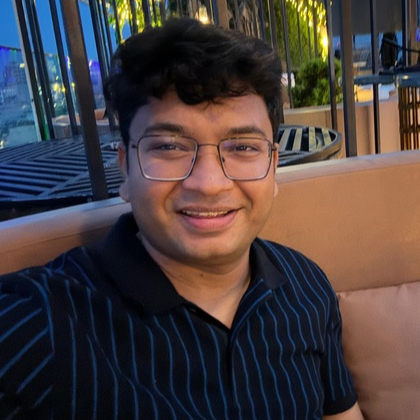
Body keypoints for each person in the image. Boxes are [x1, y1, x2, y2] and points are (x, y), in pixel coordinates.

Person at [0, 18, 364, 419]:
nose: (209, 183)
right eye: (169, 147)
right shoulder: (43, 321)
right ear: (125, 170)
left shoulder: (307, 287)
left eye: (242, 147)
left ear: (273, 167)